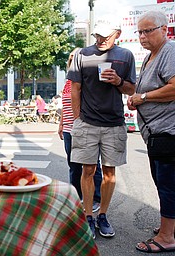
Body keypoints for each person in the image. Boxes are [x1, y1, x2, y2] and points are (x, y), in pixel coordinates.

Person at [67, 18, 136, 239]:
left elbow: (131, 89)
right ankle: (88, 215)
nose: (101, 39)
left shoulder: (126, 56)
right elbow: (74, 89)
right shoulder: (83, 54)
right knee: (87, 171)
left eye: (106, 35)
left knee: (109, 173)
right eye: (97, 35)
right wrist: (77, 118)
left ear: (118, 33)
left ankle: (103, 215)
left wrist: (117, 81)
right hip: (87, 122)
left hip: (114, 123)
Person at [127, 10, 175, 253]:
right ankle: (170, 228)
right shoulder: (150, 56)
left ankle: (167, 238)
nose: (142, 36)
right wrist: (136, 99)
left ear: (164, 30)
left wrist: (143, 97)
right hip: (155, 133)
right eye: (140, 32)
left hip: (167, 133)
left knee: (168, 185)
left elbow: (174, 88)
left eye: (148, 31)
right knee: (163, 183)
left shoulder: (170, 51)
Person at [58, 48, 102, 214]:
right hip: (69, 129)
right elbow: (65, 105)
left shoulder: (86, 77)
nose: (72, 58)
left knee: (91, 165)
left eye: (76, 56)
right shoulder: (68, 80)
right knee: (73, 165)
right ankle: (76, 197)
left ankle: (96, 198)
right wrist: (61, 124)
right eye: (71, 56)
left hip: (84, 127)